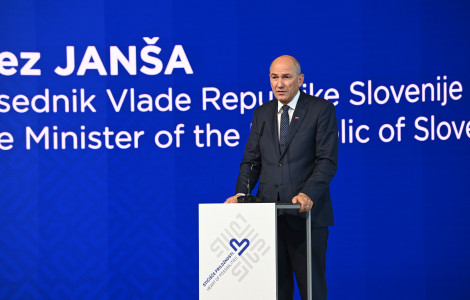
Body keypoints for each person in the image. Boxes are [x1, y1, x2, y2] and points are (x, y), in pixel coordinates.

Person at [225, 55, 338, 300]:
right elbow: (251, 161)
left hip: (305, 216)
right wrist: (241, 195)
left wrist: (308, 193)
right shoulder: (262, 114)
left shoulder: (321, 110)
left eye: (286, 77)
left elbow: (326, 161)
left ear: (300, 79)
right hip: (268, 220)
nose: (280, 83)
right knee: (274, 291)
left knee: (312, 290)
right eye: (274, 77)